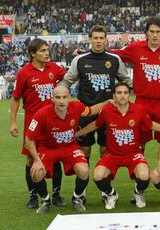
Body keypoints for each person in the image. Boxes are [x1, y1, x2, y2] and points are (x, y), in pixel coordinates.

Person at [76, 83, 160, 209]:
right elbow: (95, 125)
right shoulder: (107, 110)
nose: (122, 96)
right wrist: (78, 133)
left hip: (133, 153)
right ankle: (111, 194)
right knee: (97, 175)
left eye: (125, 93)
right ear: (114, 95)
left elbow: (150, 124)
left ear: (129, 95)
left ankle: (138, 193)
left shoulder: (138, 109)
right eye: (119, 93)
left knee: (144, 175)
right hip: (112, 154)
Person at [25, 85, 108, 214]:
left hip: (70, 147)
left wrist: (107, 102)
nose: (62, 101)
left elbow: (91, 111)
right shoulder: (41, 114)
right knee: (36, 173)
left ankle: (76, 198)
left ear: (70, 97)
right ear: (52, 99)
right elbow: (28, 139)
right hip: (48, 149)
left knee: (84, 170)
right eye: (58, 97)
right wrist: (36, 160)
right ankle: (46, 200)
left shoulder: (77, 107)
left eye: (64, 97)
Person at [59, 25, 131, 164]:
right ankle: (83, 182)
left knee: (105, 149)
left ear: (106, 40)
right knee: (84, 149)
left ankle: (103, 181)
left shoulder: (115, 59)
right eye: (95, 38)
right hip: (85, 112)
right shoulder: (80, 60)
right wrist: (59, 94)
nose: (98, 41)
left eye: (101, 38)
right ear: (90, 39)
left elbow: (126, 81)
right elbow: (67, 81)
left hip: (109, 111)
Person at [9, 38, 66, 209]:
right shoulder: (24, 73)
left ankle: (56, 195)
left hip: (53, 120)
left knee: (55, 158)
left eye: (47, 50)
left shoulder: (55, 69)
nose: (46, 53)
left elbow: (71, 77)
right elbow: (15, 98)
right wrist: (13, 122)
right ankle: (33, 196)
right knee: (30, 158)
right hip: (33, 120)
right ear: (33, 53)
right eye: (42, 50)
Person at [111, 17, 160, 146]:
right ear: (146, 33)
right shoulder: (135, 48)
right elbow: (115, 54)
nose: (154, 35)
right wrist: (87, 52)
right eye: (152, 31)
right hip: (142, 101)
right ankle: (140, 165)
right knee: (139, 139)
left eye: (158, 32)